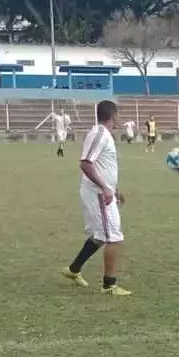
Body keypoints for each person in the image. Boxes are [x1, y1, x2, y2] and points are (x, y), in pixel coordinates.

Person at [61, 99, 131, 296]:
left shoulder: (104, 135)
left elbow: (103, 166)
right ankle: (109, 285)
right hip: (98, 194)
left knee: (101, 236)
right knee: (114, 238)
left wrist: (114, 189)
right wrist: (104, 188)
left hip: (104, 193)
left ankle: (73, 270)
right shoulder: (100, 134)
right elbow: (85, 163)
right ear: (113, 115)